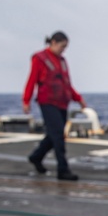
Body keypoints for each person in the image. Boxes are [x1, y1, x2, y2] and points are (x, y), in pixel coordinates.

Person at [22, 30, 85, 181]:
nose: (63, 50)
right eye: (62, 46)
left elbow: (66, 83)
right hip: (47, 102)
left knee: (53, 135)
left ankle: (36, 157)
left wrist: (78, 98)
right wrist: (26, 100)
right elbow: (32, 80)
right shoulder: (40, 59)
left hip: (62, 102)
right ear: (53, 43)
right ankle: (63, 170)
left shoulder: (62, 61)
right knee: (58, 136)